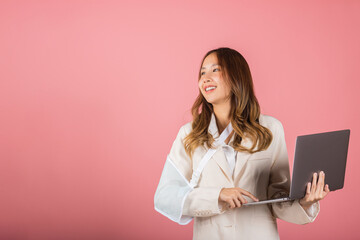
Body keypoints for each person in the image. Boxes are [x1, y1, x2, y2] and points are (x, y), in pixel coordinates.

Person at [154, 47, 330, 239]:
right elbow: (165, 197)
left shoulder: (271, 129)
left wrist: (305, 202)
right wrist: (218, 195)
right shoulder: (189, 134)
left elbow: (278, 198)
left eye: (215, 70)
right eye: (202, 72)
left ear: (237, 76)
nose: (205, 78)